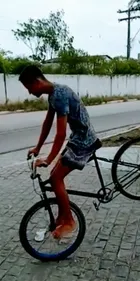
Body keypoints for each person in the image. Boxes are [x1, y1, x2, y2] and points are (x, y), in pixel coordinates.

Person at [19, 65, 102, 239]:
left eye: (29, 88)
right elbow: (47, 124)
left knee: (56, 178)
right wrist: (37, 148)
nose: (29, 92)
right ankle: (62, 216)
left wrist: (49, 158)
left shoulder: (60, 94)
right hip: (78, 139)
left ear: (37, 81)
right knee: (55, 176)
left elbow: (61, 133)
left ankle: (70, 221)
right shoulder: (53, 95)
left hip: (84, 141)